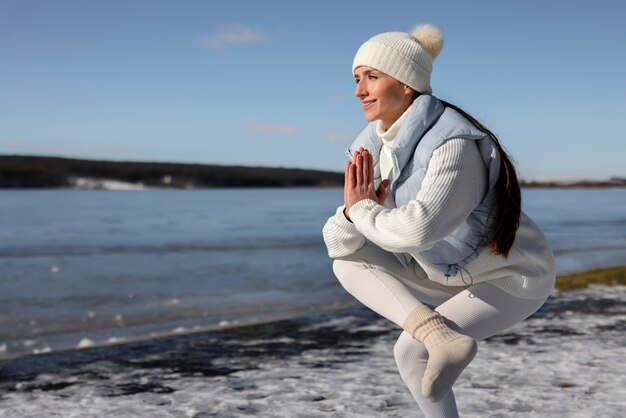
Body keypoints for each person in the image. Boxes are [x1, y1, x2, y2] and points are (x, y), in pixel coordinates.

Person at [322, 23, 555, 417]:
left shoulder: (453, 145)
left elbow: (419, 229)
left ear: (407, 85)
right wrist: (351, 211)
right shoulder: (377, 148)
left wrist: (364, 211)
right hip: (443, 275)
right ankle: (438, 335)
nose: (359, 91)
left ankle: (436, 340)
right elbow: (336, 241)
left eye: (372, 77)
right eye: (357, 78)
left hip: (510, 277)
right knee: (347, 261)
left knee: (410, 351)